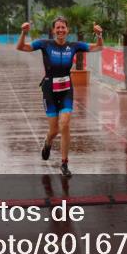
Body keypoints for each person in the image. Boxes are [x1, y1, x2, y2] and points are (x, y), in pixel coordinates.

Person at [17, 17, 103, 177]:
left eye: (63, 27)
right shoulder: (45, 44)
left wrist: (99, 35)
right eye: (58, 28)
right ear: (53, 30)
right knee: (54, 130)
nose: (60, 30)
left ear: (68, 30)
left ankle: (64, 163)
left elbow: (98, 47)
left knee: (65, 124)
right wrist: (24, 32)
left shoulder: (74, 46)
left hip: (66, 89)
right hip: (49, 89)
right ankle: (47, 143)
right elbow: (21, 47)